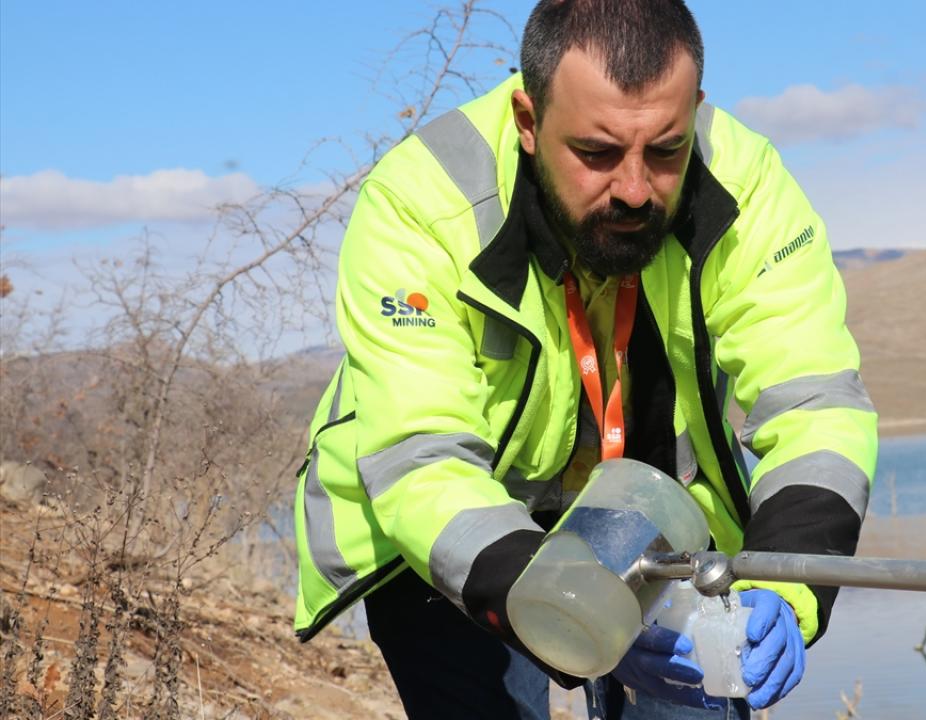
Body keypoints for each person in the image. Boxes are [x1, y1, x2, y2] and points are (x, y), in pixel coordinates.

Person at [291, 1, 878, 718]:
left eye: (666, 150)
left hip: (651, 509)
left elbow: (815, 403)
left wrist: (788, 582)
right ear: (528, 122)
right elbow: (422, 459)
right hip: (455, 528)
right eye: (597, 153)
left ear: (695, 110)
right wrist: (565, 616)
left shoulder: (748, 185)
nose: (634, 190)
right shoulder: (417, 206)